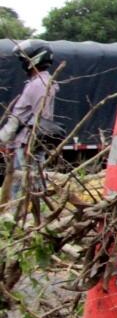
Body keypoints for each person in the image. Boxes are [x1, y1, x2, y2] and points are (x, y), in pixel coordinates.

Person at [1, 40, 60, 205]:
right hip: (26, 143)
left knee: (26, 188)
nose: (22, 63)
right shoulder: (41, 83)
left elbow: (25, 118)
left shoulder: (39, 85)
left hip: (28, 145)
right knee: (25, 186)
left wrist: (3, 138)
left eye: (23, 59)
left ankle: (24, 222)